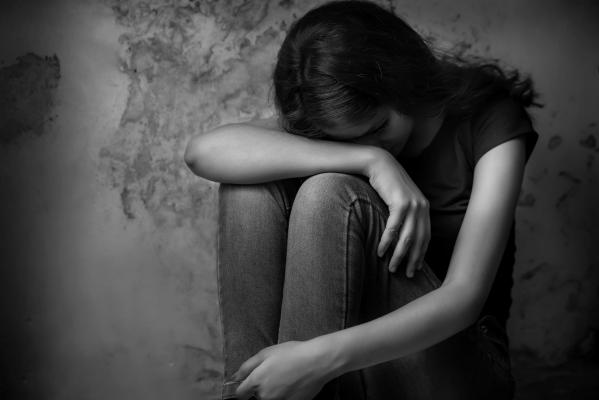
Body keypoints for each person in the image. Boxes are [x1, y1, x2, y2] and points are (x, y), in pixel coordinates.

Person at [184, 1, 539, 399]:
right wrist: (372, 160)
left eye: (380, 128)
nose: (374, 141)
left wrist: (316, 358)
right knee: (249, 189)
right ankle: (252, 390)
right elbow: (203, 152)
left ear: (402, 82)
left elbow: (464, 298)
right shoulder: (346, 131)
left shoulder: (491, 121)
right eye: (350, 139)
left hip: (458, 361)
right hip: (349, 359)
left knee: (329, 193)